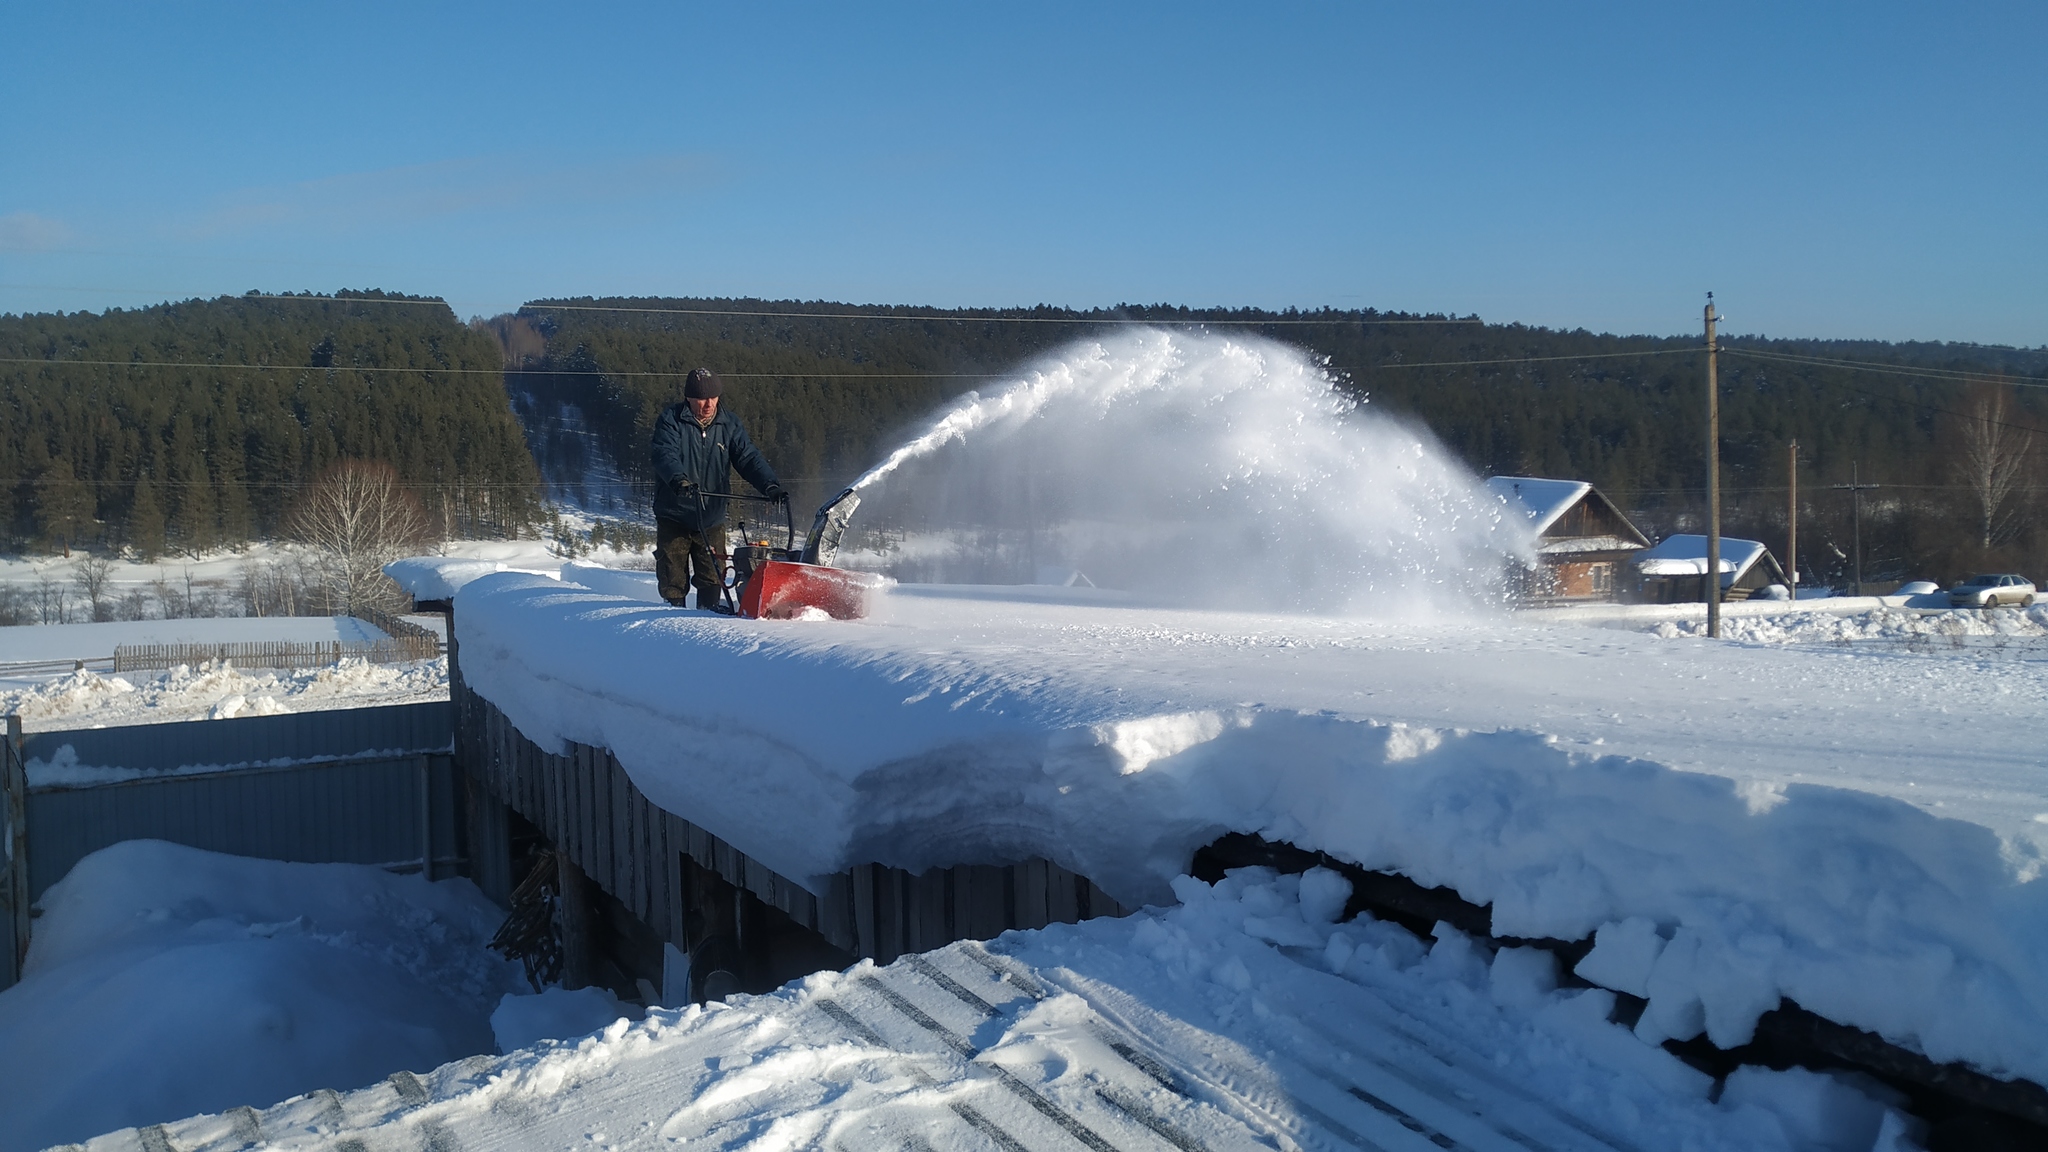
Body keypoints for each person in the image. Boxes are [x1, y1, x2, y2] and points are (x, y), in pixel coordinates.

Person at [650, 368, 787, 611]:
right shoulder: (671, 420)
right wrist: (678, 480)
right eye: (702, 399)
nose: (708, 404)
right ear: (689, 398)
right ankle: (671, 625)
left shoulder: (729, 423)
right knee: (673, 580)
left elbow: (748, 458)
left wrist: (770, 484)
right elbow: (664, 455)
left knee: (713, 577)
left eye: (713, 398)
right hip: (675, 514)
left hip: (711, 518)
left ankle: (708, 622)